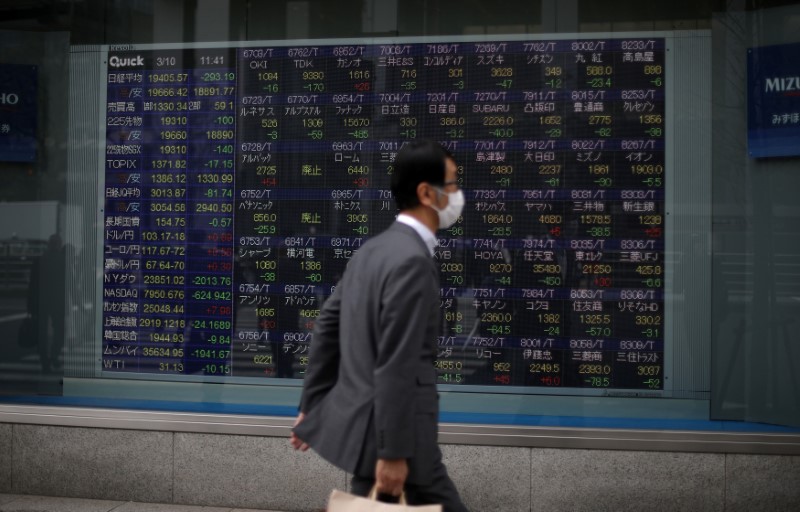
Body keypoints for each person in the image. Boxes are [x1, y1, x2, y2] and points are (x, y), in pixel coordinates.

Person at [290, 140, 468, 511]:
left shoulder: (372, 249)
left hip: (375, 431)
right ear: (425, 192)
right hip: (400, 436)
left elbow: (326, 324)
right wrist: (393, 453)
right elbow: (397, 363)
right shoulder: (412, 262)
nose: (456, 194)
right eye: (451, 185)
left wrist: (312, 402)